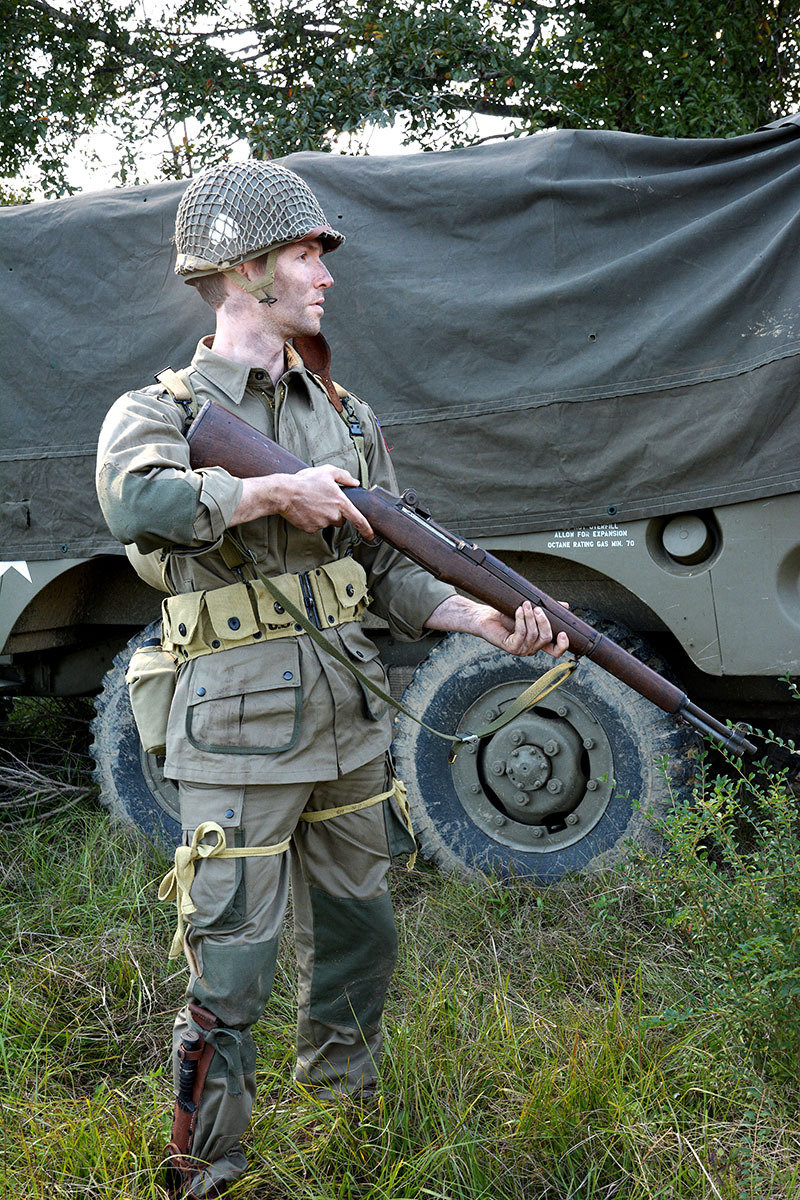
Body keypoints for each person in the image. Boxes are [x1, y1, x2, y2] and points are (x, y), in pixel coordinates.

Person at [95, 160, 568, 1199]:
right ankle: (205, 1167)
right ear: (242, 272)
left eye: (317, 254)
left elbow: (390, 567)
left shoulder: (345, 416)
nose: (324, 275)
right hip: (237, 728)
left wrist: (475, 618)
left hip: (349, 714)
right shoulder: (161, 408)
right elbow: (136, 504)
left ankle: (344, 1107)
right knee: (230, 963)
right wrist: (274, 493)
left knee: (363, 927)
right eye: (305, 254)